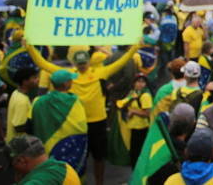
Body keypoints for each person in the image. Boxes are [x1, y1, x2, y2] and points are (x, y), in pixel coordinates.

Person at [25, 41, 141, 185]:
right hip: (83, 123)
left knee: (94, 156)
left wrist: (134, 48)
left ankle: (94, 182)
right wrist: (30, 48)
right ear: (76, 63)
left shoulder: (82, 74)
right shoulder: (77, 75)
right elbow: (43, 64)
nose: (82, 66)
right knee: (86, 156)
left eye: (83, 63)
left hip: (89, 122)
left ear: (87, 61)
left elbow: (43, 64)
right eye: (80, 63)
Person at [30, 70, 88, 177]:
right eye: (70, 80)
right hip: (72, 145)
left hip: (47, 147)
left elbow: (30, 121)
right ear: (65, 84)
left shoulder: (38, 101)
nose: (72, 82)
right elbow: (81, 126)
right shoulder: (75, 100)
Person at [7, 135, 80, 185]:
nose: (15, 171)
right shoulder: (64, 166)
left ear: (22, 160)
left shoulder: (40, 180)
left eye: (13, 165)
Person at [116, 73, 153, 162]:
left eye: (143, 82)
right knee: (133, 153)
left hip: (141, 128)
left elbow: (147, 113)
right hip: (132, 127)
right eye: (138, 82)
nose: (140, 84)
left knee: (137, 155)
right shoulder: (132, 93)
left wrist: (133, 111)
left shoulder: (145, 96)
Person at [6, 67, 39, 143]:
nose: (38, 80)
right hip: (19, 146)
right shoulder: (22, 101)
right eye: (34, 78)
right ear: (25, 81)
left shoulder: (16, 92)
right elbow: (18, 126)